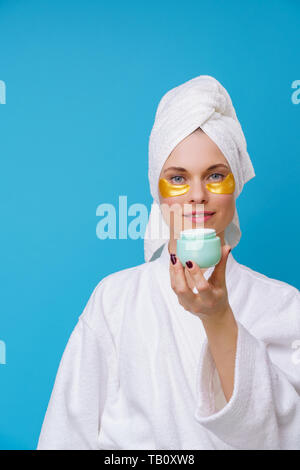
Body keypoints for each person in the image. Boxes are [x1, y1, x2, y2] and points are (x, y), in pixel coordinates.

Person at [37, 75, 300, 450]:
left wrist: (219, 319)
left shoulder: (284, 307)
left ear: (236, 183)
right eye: (177, 178)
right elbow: (66, 435)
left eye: (215, 176)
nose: (197, 195)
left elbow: (282, 437)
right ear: (156, 191)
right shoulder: (114, 301)